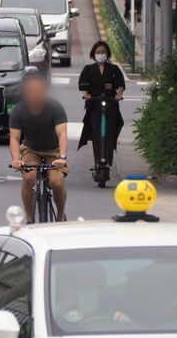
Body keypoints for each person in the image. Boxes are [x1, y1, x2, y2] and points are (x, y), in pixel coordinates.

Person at [9, 71, 69, 222]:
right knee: (29, 177)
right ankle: (29, 219)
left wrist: (62, 157)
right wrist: (16, 159)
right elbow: (15, 138)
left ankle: (61, 215)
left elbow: (62, 134)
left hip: (54, 150)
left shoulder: (55, 107)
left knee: (56, 182)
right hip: (31, 148)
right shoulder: (18, 110)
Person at [77, 41, 125, 170]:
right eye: (98, 52)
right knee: (97, 133)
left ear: (107, 54)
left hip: (111, 104)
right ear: (93, 54)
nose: (100, 54)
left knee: (109, 132)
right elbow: (83, 85)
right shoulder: (88, 69)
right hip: (94, 104)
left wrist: (118, 95)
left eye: (103, 52)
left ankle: (108, 161)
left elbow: (120, 84)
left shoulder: (114, 69)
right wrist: (87, 94)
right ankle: (98, 160)